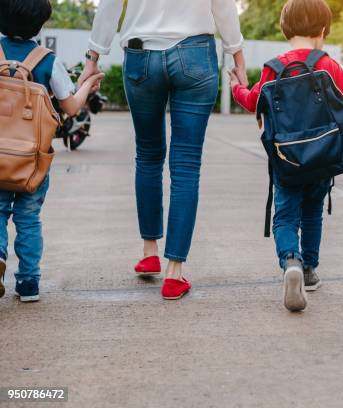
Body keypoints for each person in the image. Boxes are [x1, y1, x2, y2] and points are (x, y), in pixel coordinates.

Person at [79, 0, 246, 300]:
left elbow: (110, 6)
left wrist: (93, 58)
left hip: (141, 54)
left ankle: (149, 252)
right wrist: (237, 56)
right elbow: (223, 5)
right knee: (186, 164)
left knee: (148, 155)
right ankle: (174, 272)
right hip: (195, 54)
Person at [230, 0, 343, 311]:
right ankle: (309, 270)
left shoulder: (274, 67)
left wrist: (236, 87)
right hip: (323, 158)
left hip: (286, 160)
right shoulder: (328, 65)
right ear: (323, 30)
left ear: (285, 29)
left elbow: (252, 102)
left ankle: (291, 262)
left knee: (285, 216)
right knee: (313, 212)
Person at [0, 0, 104, 302]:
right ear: (40, 24)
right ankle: (29, 283)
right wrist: (88, 85)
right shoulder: (47, 60)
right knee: (29, 219)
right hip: (32, 160)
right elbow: (71, 107)